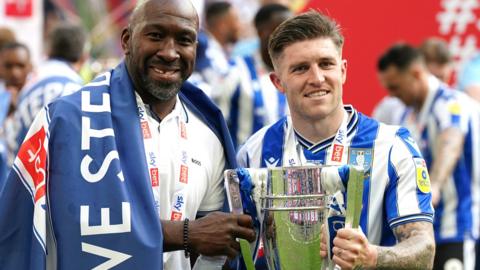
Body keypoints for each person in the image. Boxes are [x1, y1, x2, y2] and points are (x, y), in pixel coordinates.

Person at [0, 0, 255, 269]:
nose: (170, 52)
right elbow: (73, 226)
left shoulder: (209, 134)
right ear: (126, 40)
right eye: (156, 35)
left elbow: (214, 243)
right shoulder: (67, 121)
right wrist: (186, 233)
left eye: (184, 39)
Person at [237, 10, 435, 269]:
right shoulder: (254, 151)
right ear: (278, 82)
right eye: (300, 69)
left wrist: (374, 257)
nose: (317, 78)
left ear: (342, 71)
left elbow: (424, 250)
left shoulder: (393, 147)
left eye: (326, 64)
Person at [378, 43, 479, 270]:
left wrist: (435, 184)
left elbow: (451, 141)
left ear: (415, 73)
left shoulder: (448, 102)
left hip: (456, 228)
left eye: (396, 87)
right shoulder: (407, 114)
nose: (393, 95)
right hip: (425, 231)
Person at [3, 23, 87, 165]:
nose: (15, 73)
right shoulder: (81, 93)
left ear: (48, 51)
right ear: (83, 58)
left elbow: (12, 146)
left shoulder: (28, 87)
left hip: (25, 176)